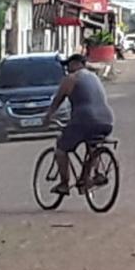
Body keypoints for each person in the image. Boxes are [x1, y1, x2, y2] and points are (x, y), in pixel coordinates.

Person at [45, 54, 115, 196]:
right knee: (93, 146)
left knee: (61, 148)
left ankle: (64, 184)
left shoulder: (71, 78)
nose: (67, 68)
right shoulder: (95, 77)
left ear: (77, 64)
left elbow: (58, 100)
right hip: (106, 120)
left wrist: (48, 117)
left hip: (85, 120)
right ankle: (85, 178)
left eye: (69, 64)